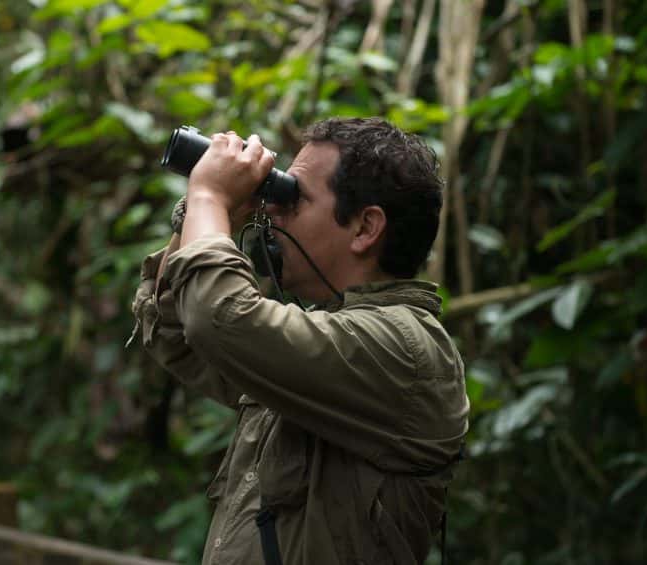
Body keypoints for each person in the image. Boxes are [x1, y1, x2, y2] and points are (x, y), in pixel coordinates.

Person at [131, 117, 469, 565]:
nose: (272, 210)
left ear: (366, 228)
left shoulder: (402, 348)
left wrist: (210, 196)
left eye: (294, 198)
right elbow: (176, 327)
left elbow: (216, 317)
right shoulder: (328, 333)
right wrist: (203, 214)